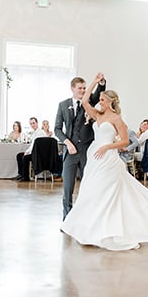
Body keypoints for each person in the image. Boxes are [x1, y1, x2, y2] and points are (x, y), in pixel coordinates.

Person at [61, 73, 148, 250]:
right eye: (99, 99)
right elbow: (84, 102)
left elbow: (125, 141)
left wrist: (107, 146)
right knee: (92, 191)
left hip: (108, 158)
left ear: (111, 102)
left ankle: (110, 230)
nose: (100, 102)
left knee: (108, 192)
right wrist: (94, 82)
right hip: (94, 158)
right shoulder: (98, 115)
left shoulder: (116, 119)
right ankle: (92, 229)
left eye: (103, 100)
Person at [55, 75, 106, 219]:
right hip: (70, 152)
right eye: (80, 88)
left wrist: (100, 83)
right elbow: (57, 129)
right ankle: (67, 219)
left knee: (88, 186)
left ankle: (87, 218)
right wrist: (67, 143)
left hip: (86, 151)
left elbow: (98, 93)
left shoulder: (88, 102)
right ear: (72, 89)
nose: (83, 91)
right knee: (68, 188)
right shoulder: (63, 105)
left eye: (84, 88)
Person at [14, 117, 47, 181]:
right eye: (31, 124)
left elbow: (34, 146)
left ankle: (26, 177)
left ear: (37, 123)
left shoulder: (40, 133)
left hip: (39, 155)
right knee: (19, 155)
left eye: (33, 123)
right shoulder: (34, 133)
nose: (32, 125)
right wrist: (27, 151)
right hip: (35, 152)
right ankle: (21, 174)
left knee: (25, 157)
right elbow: (32, 145)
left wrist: (27, 152)